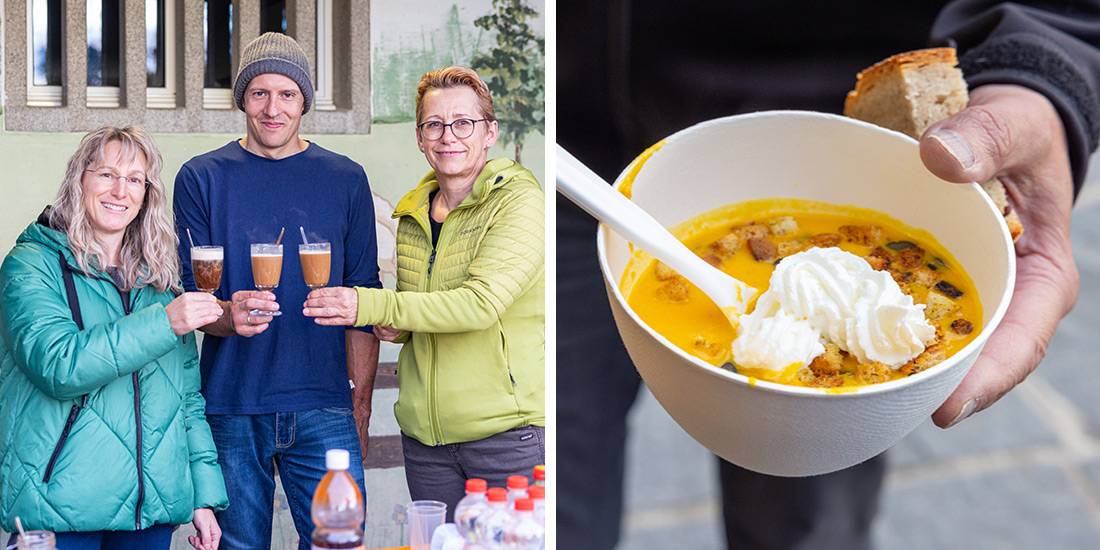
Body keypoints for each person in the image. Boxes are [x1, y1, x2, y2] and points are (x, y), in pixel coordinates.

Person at [558, 1, 1100, 548]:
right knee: (536, 490)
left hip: (851, 141)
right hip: (557, 122)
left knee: (808, 527)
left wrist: (1038, 74)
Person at [303, 66, 545, 520]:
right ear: (419, 137)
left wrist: (367, 303)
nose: (448, 136)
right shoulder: (414, 213)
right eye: (434, 124)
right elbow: (420, 315)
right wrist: (393, 326)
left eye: (463, 123)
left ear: (490, 132)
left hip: (505, 440)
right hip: (427, 444)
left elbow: (479, 305)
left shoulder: (520, 201)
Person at [172, 33, 381, 550]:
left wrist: (360, 407)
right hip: (230, 403)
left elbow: (363, 302)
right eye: (259, 92)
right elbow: (188, 301)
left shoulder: (345, 179)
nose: (272, 108)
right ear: (242, 98)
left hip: (325, 406)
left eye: (287, 94)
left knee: (339, 544)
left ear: (304, 101)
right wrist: (227, 314)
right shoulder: (201, 178)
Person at [0, 126, 228, 550]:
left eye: (135, 179)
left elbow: (187, 402)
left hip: (150, 512)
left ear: (147, 195)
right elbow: (58, 366)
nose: (120, 190)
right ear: (79, 180)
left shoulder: (159, 281)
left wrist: (201, 494)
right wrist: (164, 324)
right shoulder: (30, 266)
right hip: (57, 508)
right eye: (106, 174)